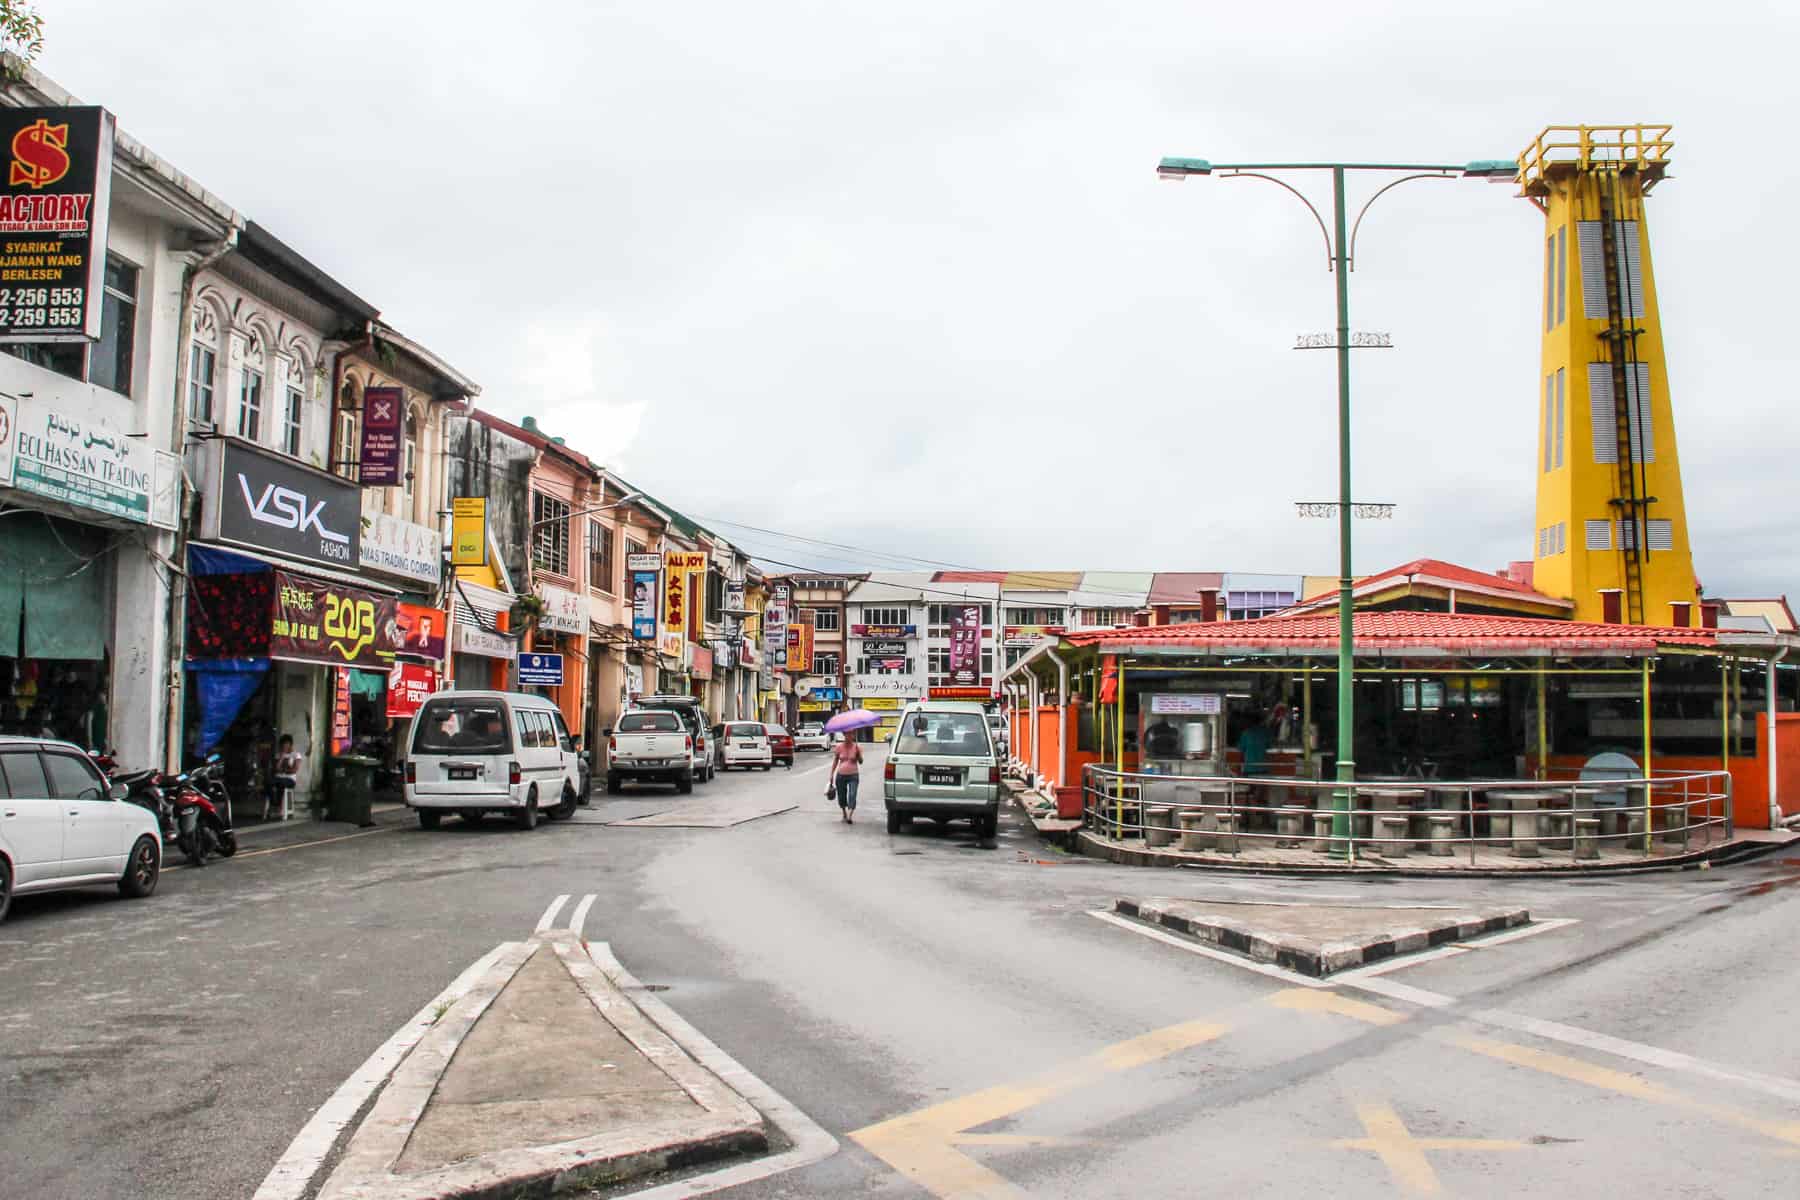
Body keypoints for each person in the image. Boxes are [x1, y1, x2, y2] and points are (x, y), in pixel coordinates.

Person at [829, 733, 863, 824]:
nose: (849, 736)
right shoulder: (839, 747)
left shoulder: (857, 747)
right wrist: (831, 774)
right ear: (844, 735)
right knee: (841, 796)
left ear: (853, 736)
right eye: (847, 734)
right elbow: (835, 761)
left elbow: (861, 762)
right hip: (841, 775)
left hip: (853, 775)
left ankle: (850, 815)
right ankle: (844, 812)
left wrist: (858, 754)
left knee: (852, 794)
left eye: (851, 734)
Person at [267, 733, 301, 821]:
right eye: (282, 745)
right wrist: (281, 758)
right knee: (268, 782)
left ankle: (278, 806)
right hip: (278, 777)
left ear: (290, 744)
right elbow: (276, 769)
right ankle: (274, 803)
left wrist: (283, 770)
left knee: (281, 783)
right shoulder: (279, 755)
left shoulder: (296, 755)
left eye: (286, 744)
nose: (284, 746)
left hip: (290, 779)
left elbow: (294, 770)